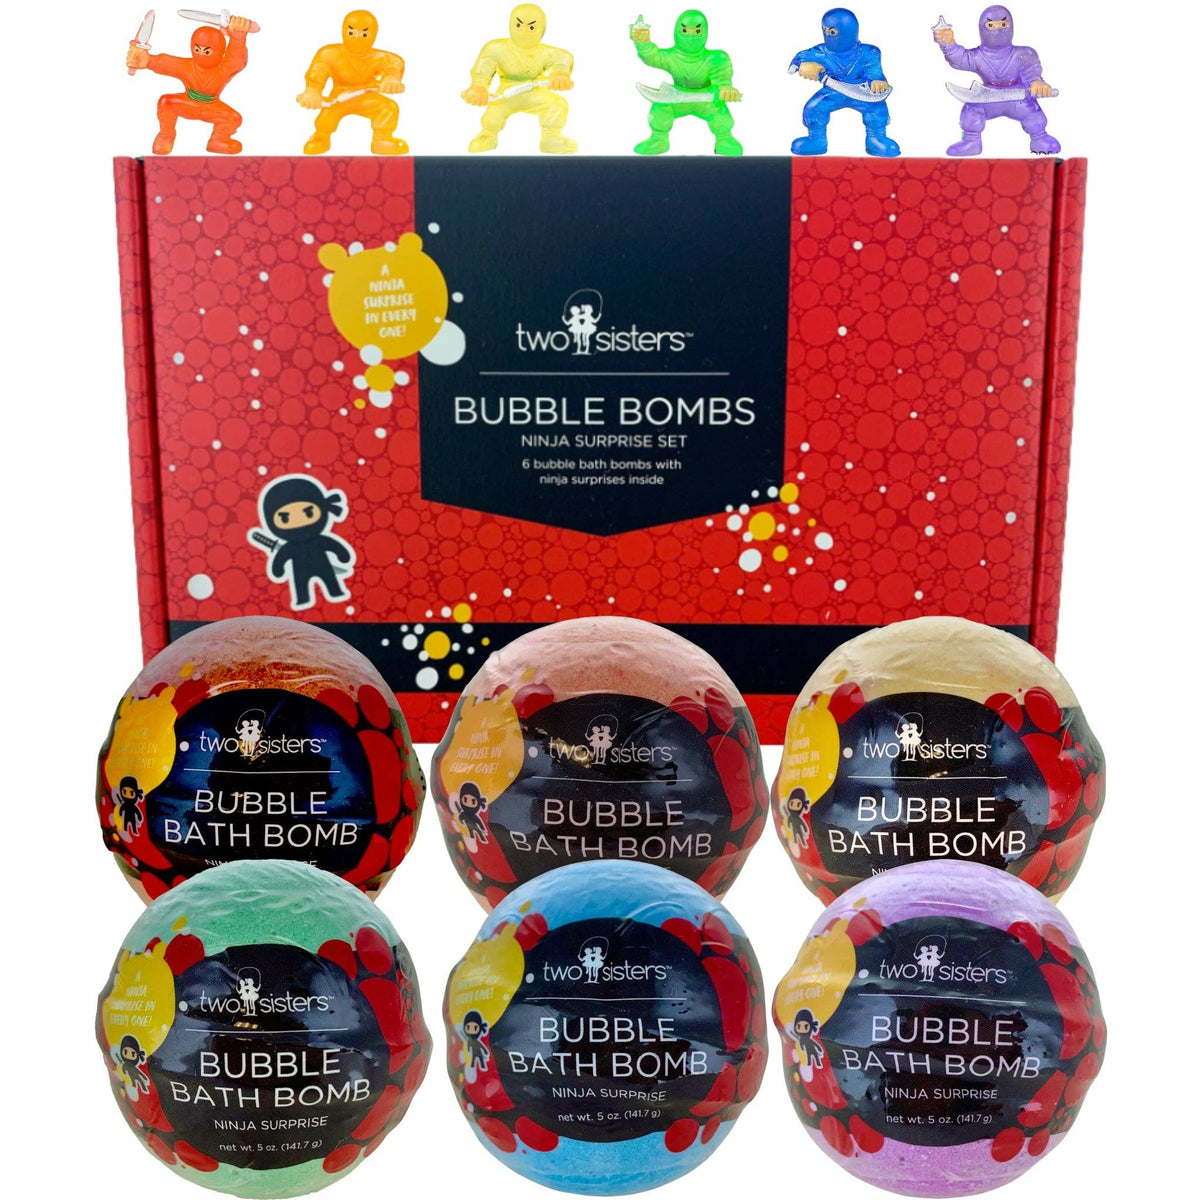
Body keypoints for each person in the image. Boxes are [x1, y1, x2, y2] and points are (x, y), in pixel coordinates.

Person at [934, 6, 1060, 156]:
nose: (998, 30)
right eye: (991, 25)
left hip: (1019, 100)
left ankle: (1040, 138)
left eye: (1003, 24)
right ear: (981, 29)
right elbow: (960, 59)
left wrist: (1038, 84)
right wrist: (948, 44)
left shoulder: (1025, 54)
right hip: (987, 100)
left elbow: (1032, 73)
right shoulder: (977, 56)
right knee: (971, 111)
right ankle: (971, 141)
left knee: (1034, 114)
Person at [126, 16, 253, 154]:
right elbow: (165, 63)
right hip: (189, 104)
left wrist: (238, 39)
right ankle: (166, 135)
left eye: (207, 51)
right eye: (197, 49)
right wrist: (145, 60)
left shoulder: (225, 68)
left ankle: (218, 140)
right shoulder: (187, 66)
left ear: (221, 51)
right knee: (166, 102)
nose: (201, 54)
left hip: (213, 108)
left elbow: (236, 60)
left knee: (233, 119)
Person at [463, 5, 577, 154]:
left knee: (557, 104)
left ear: (541, 31)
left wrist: (560, 74)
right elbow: (483, 67)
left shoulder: (546, 52)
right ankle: (488, 135)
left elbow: (563, 59)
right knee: (493, 112)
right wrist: (478, 87)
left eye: (531, 28)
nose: (524, 31)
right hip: (506, 94)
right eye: (518, 25)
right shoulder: (496, 49)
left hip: (535, 92)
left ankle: (551, 137)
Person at [789, 8, 899, 157]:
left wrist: (877, 82)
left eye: (832, 31)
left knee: (878, 109)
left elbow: (875, 72)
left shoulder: (869, 52)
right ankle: (816, 140)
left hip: (863, 93)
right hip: (831, 93)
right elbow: (798, 59)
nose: (828, 34)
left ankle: (876, 138)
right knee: (813, 108)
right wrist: (803, 64)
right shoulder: (819, 52)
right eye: (825, 30)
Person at [631, 10, 742, 156]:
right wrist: (643, 43)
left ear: (705, 32)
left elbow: (722, 80)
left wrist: (726, 89)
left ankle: (724, 138)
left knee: (720, 112)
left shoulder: (717, 58)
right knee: (660, 107)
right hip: (676, 99)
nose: (691, 36)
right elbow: (653, 56)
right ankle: (659, 138)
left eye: (697, 31)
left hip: (707, 101)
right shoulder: (671, 56)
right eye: (685, 31)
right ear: (677, 31)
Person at [297, 11, 408, 155]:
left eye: (364, 34)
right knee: (327, 117)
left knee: (388, 107)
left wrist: (392, 79)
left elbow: (394, 64)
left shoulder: (379, 57)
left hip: (367, 95)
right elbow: (317, 73)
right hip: (339, 97)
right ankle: (321, 137)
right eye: (351, 32)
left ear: (374, 34)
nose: (357, 38)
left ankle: (381, 139)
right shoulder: (329, 54)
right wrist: (312, 91)